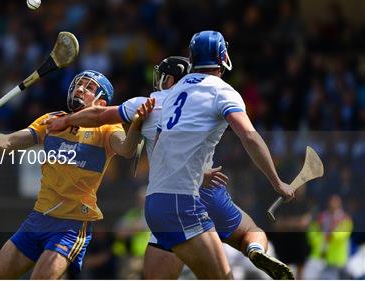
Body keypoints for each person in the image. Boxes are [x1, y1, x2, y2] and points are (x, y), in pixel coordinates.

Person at [45, 55, 295, 279]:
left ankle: (250, 248)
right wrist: (276, 182)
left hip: (171, 200)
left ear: (172, 79)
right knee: (248, 233)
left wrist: (66, 120)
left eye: (163, 77)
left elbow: (99, 117)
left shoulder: (152, 102)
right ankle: (254, 249)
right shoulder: (211, 96)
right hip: (198, 193)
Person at [0, 70, 152, 279]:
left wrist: (136, 124)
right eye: (79, 84)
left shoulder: (107, 127)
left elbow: (126, 149)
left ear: (102, 103)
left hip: (71, 225)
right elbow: (6, 144)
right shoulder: (51, 121)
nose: (81, 88)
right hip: (37, 219)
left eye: (89, 87)